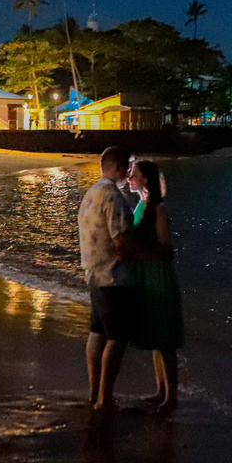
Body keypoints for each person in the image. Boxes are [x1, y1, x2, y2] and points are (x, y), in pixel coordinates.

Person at [78, 146, 147, 410]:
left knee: (97, 332)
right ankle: (105, 397)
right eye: (128, 167)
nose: (129, 173)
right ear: (118, 169)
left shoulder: (91, 194)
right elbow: (121, 240)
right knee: (117, 337)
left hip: (93, 273)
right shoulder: (113, 197)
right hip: (113, 277)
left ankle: (94, 392)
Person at [126, 159, 184, 412]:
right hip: (146, 275)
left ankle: (171, 396)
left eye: (133, 174)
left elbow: (166, 249)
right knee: (155, 336)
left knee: (165, 340)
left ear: (145, 179)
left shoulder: (157, 209)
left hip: (158, 276)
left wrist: (136, 253)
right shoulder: (141, 205)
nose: (129, 178)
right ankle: (160, 390)